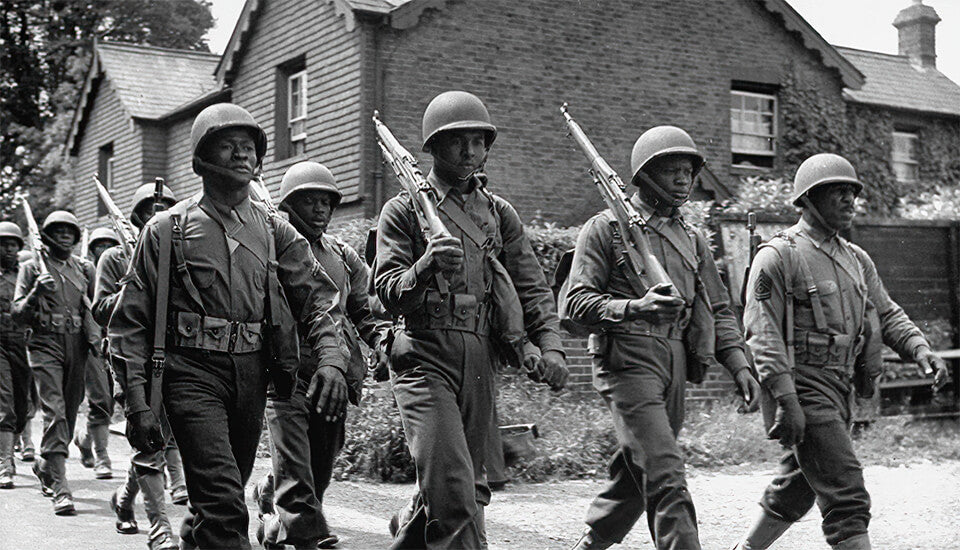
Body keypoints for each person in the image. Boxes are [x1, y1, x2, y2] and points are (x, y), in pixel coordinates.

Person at [108, 102, 347, 550]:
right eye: (227, 146)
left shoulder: (276, 229)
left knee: (220, 494)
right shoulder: (166, 229)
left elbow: (316, 298)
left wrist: (332, 358)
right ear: (202, 157)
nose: (242, 155)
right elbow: (130, 323)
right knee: (223, 502)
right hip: (190, 373)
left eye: (248, 147)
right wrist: (137, 403)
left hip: (253, 373)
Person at [374, 90, 569, 549]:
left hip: (479, 356)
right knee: (456, 493)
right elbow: (386, 293)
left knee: (465, 490)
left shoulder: (499, 214)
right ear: (434, 148)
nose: (470, 152)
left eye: (478, 142)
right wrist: (424, 266)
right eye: (457, 141)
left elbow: (532, 287)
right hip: (422, 357)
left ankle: (411, 528)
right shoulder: (403, 210)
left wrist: (551, 345)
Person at [731, 153, 949, 550]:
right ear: (810, 199)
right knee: (846, 493)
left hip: (841, 385)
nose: (850, 200)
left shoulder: (856, 258)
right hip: (803, 385)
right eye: (838, 192)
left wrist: (919, 348)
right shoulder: (778, 256)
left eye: (852, 192)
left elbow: (886, 311)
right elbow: (761, 333)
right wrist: (785, 397)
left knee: (799, 484)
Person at [563, 126, 761, 550]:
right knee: (666, 470)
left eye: (688, 171)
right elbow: (575, 305)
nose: (683, 180)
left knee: (639, 471)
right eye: (671, 170)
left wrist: (739, 363)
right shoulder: (605, 229)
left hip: (675, 358)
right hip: (626, 358)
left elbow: (720, 309)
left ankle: (591, 543)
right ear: (646, 175)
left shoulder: (691, 238)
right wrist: (633, 307)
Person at [255, 160, 390, 549]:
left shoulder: (343, 256)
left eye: (326, 203)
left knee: (320, 467)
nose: (320, 210)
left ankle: (270, 495)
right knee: (297, 465)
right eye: (310, 201)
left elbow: (365, 311)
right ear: (289, 205)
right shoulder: (271, 247)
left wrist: (381, 343)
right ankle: (309, 537)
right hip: (284, 373)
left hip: (333, 374)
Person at [94, 183, 186, 550]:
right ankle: (160, 527)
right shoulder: (115, 258)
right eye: (150, 209)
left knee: (159, 443)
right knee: (148, 442)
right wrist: (132, 287)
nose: (156, 216)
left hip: (175, 358)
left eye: (164, 209)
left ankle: (123, 498)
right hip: (131, 357)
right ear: (136, 216)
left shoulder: (181, 253)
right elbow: (100, 309)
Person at [13, 210, 99, 515]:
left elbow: (91, 308)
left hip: (76, 344)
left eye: (69, 231)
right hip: (44, 342)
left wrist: (95, 338)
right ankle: (62, 488)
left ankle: (45, 464)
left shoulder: (84, 269)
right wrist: (37, 291)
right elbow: (17, 313)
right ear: (47, 236)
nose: (64, 235)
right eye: (58, 230)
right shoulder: (32, 268)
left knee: (71, 410)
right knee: (55, 412)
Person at [73, 226, 120, 479]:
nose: (105, 250)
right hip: (94, 341)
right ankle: (102, 455)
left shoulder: (122, 268)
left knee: (115, 400)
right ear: (92, 250)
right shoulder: (85, 271)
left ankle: (85, 438)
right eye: (99, 246)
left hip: (121, 342)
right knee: (101, 399)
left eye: (109, 245)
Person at [0, 221, 31, 489]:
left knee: (23, 405)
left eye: (13, 244)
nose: (8, 249)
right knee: (5, 403)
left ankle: (17, 439)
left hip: (22, 343)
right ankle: (5, 462)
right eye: (3, 244)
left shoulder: (27, 274)